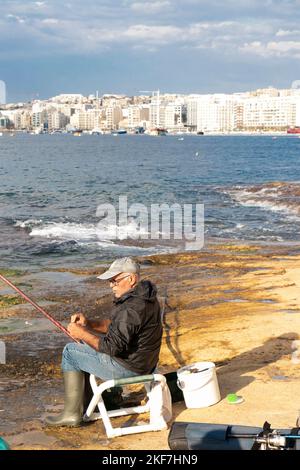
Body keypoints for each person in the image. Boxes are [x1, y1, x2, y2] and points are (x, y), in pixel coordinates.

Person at [45, 257, 163, 427]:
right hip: (145, 364)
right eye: (110, 281)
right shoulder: (145, 297)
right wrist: (89, 324)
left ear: (131, 279)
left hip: (128, 369)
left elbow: (111, 347)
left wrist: (83, 334)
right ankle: (104, 401)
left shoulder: (131, 308)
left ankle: (71, 414)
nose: (111, 285)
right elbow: (115, 326)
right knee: (83, 346)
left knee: (70, 352)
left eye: (114, 280)